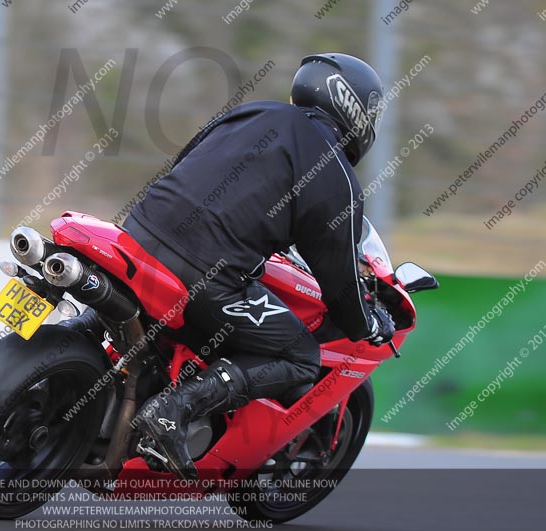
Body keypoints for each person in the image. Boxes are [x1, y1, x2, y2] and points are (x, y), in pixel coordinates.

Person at [122, 53, 396, 480]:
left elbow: (185, 163)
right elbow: (338, 280)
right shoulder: (335, 174)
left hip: (137, 230)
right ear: (355, 109)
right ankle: (174, 410)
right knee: (299, 354)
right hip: (206, 273)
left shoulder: (251, 112)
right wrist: (366, 325)